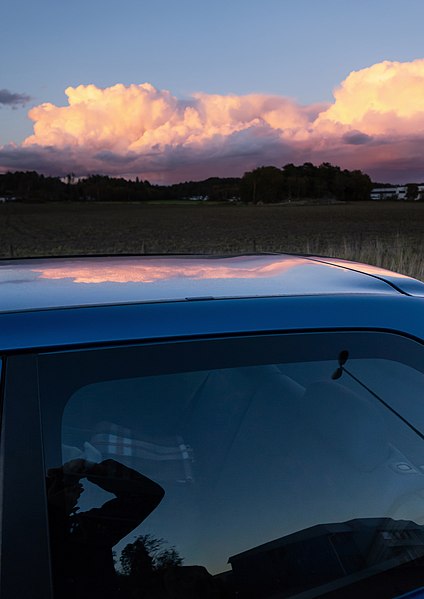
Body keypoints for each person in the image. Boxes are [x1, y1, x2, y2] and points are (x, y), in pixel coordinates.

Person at [46, 458, 165, 599]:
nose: (73, 490)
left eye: (70, 486)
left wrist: (95, 470)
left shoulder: (86, 528)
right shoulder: (26, 536)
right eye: (58, 488)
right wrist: (54, 511)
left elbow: (148, 494)